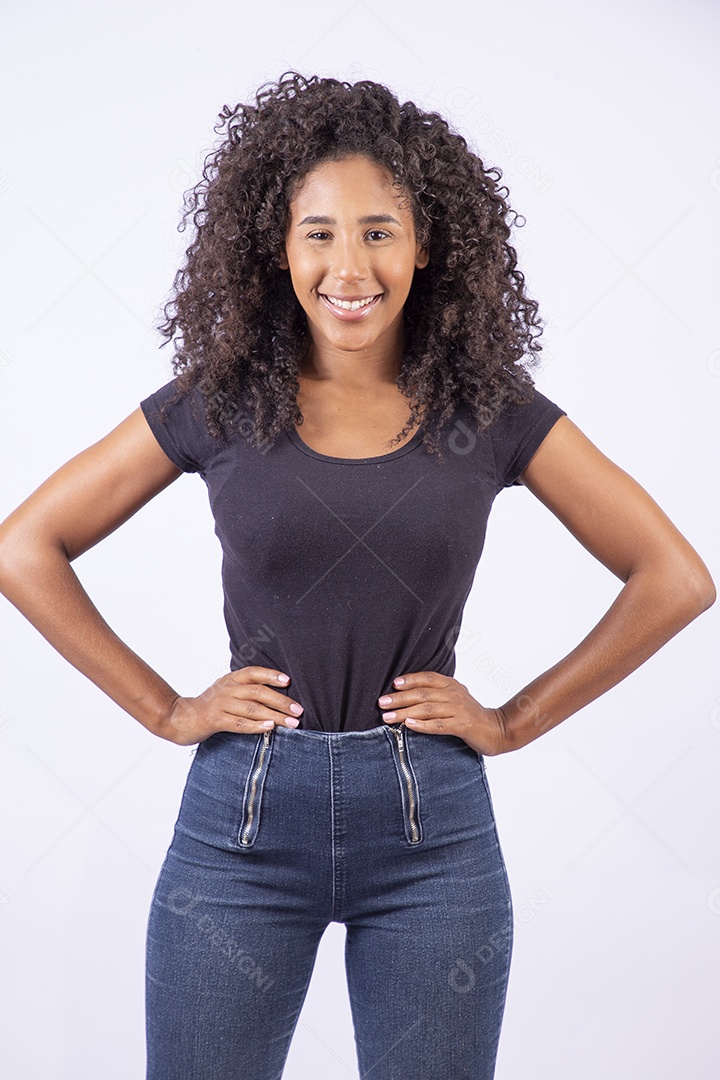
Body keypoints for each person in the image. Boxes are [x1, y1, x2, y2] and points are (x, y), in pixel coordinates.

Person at [0, 71, 714, 1080]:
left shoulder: (491, 411)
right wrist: (165, 709)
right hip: (240, 825)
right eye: (320, 233)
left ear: (428, 246)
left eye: (380, 231)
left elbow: (674, 577)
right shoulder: (219, 403)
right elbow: (24, 547)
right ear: (279, 248)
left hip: (435, 836)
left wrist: (511, 722)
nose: (350, 265)